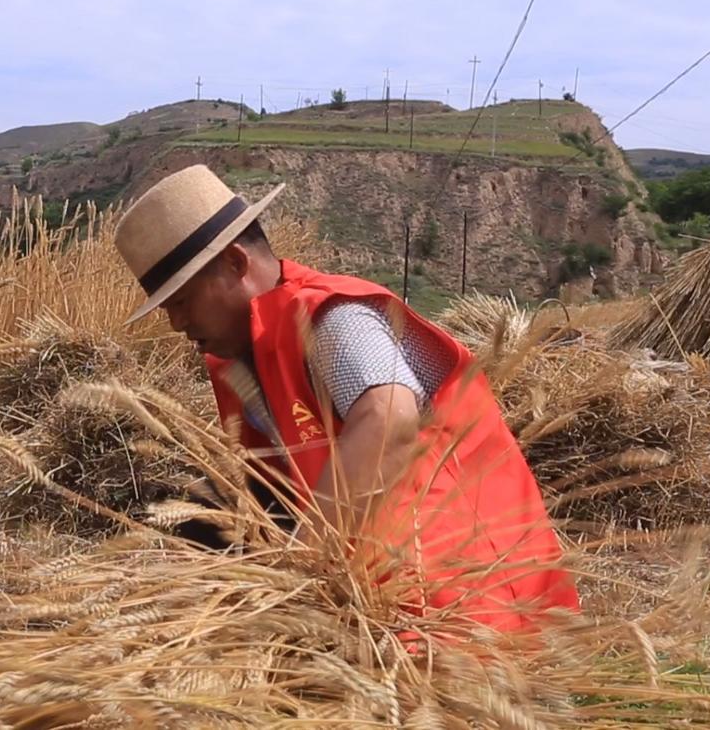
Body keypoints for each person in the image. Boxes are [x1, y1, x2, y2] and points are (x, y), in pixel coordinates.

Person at [112, 164, 579, 632]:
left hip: (466, 607)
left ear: (236, 263)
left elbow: (389, 424)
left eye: (182, 301)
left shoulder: (333, 319)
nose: (175, 323)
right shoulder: (247, 356)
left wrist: (296, 570)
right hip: (377, 593)